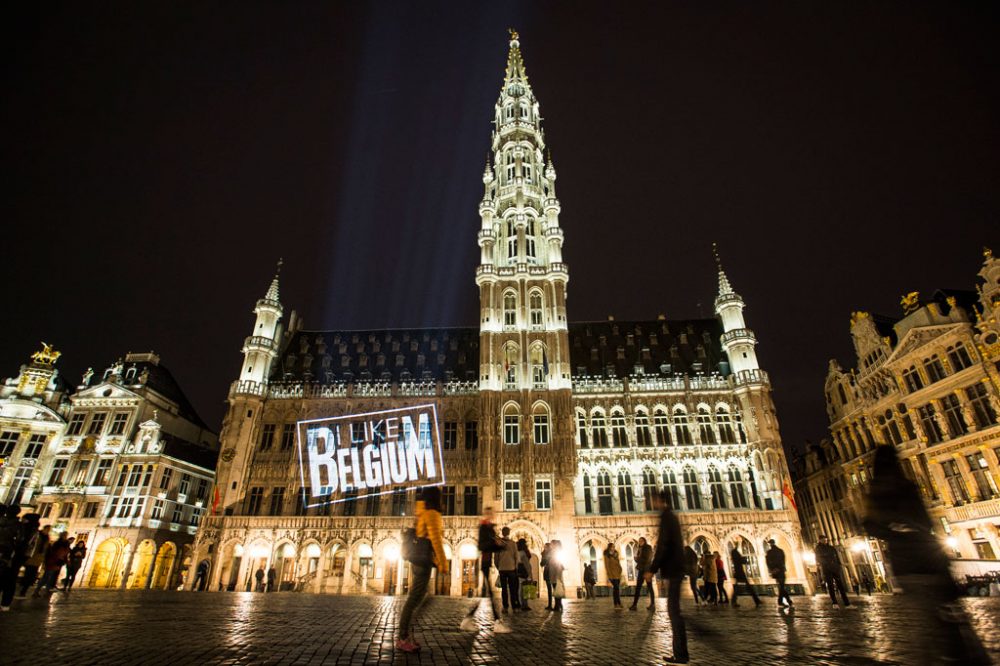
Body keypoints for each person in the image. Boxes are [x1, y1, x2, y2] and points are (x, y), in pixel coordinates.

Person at [864, 445, 990, 664]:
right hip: (929, 561)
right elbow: (926, 522)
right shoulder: (906, 487)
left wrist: (894, 530)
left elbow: (870, 525)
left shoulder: (877, 492)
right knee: (949, 623)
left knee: (928, 625)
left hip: (907, 567)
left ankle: (938, 656)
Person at [396, 486, 448, 653]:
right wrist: (443, 562)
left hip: (419, 560)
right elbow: (436, 540)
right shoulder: (432, 514)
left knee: (420, 597)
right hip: (424, 560)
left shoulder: (422, 512)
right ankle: (403, 637)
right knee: (414, 600)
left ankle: (406, 634)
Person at [647, 488, 689, 664]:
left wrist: (652, 569)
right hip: (675, 569)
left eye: (653, 500)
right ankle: (681, 652)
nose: (651, 503)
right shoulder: (671, 517)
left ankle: (680, 653)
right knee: (675, 611)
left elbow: (663, 546)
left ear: (659, 501)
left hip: (673, 569)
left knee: (674, 612)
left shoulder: (667, 518)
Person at [461, 506, 508, 633]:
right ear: (487, 514)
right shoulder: (484, 527)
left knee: (486, 594)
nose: (492, 515)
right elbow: (482, 545)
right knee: (489, 594)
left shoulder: (488, 528)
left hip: (487, 562)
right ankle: (497, 622)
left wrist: (501, 546)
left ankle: (469, 619)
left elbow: (490, 545)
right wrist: (496, 544)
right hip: (485, 562)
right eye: (490, 513)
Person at [815, 535, 850, 607]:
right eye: (823, 540)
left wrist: (838, 565)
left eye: (826, 539)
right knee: (830, 586)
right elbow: (818, 559)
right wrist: (827, 564)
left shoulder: (831, 548)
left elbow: (837, 557)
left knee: (841, 586)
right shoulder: (818, 549)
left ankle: (847, 603)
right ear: (820, 540)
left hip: (835, 568)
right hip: (827, 569)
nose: (825, 541)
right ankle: (834, 602)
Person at [34, 531, 70, 597]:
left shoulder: (65, 544)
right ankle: (38, 590)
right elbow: (55, 553)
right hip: (53, 562)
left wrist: (65, 561)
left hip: (58, 562)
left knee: (51, 577)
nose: (65, 537)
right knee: (47, 577)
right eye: (65, 535)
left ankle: (45, 591)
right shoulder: (58, 543)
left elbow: (65, 554)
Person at [0, 504, 21, 611]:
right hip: (8, 555)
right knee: (8, 580)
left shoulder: (5, 522)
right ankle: (5, 604)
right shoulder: (18, 525)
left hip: (6, 554)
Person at [19, 521, 48, 597]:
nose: (48, 531)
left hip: (38, 559)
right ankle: (22, 590)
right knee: (27, 574)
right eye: (47, 530)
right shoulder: (37, 535)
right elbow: (31, 545)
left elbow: (45, 549)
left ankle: (24, 590)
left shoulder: (47, 538)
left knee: (32, 576)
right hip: (31, 557)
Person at [495, 526, 520, 612]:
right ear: (509, 533)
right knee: (512, 588)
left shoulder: (498, 544)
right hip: (511, 569)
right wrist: (515, 567)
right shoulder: (513, 543)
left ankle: (505, 607)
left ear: (502, 533)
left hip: (502, 569)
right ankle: (514, 607)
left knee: (504, 589)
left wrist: (498, 567)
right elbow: (516, 556)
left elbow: (496, 558)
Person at [729, 543, 760, 608]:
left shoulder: (734, 552)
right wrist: (744, 560)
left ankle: (734, 600)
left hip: (739, 571)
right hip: (739, 571)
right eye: (737, 544)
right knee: (746, 587)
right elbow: (739, 561)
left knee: (739, 587)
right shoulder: (735, 552)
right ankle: (756, 600)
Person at [765, 539, 793, 608]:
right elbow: (783, 560)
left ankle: (782, 601)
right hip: (781, 570)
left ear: (770, 544)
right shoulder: (780, 551)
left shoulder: (769, 552)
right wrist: (781, 567)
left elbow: (768, 563)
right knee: (782, 586)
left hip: (775, 571)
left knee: (781, 586)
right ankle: (786, 601)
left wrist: (772, 569)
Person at [629, 536, 654, 610]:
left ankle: (652, 604)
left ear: (644, 541)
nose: (640, 542)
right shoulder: (640, 549)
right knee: (638, 588)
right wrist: (636, 559)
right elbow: (641, 560)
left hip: (647, 570)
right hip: (641, 570)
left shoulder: (648, 547)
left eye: (641, 541)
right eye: (639, 541)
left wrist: (638, 558)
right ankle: (634, 605)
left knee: (650, 587)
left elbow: (648, 559)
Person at [546, 540, 565, 612]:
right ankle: (558, 605)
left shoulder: (556, 553)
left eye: (551, 544)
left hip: (556, 575)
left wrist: (557, 576)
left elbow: (558, 565)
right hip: (554, 574)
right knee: (556, 590)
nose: (550, 545)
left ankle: (557, 606)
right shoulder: (553, 553)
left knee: (556, 591)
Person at [603, 543, 623, 609]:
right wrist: (609, 576)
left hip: (618, 574)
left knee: (616, 589)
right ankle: (617, 603)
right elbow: (607, 566)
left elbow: (618, 563)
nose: (613, 548)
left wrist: (620, 569)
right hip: (612, 575)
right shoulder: (607, 555)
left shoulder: (616, 554)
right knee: (616, 588)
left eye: (614, 547)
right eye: (612, 547)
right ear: (609, 547)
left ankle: (618, 603)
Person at [516, 538, 532, 611]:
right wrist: (529, 574)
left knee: (520, 589)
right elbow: (526, 564)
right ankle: (524, 605)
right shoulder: (523, 552)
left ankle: (521, 604)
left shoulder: (516, 551)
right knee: (523, 589)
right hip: (523, 571)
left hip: (518, 571)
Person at [541, 542, 554, 609]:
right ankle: (552, 604)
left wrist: (543, 556)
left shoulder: (549, 554)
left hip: (550, 572)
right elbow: (542, 563)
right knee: (551, 588)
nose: (544, 548)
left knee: (551, 588)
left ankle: (552, 605)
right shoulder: (549, 554)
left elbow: (542, 563)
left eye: (545, 547)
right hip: (551, 572)